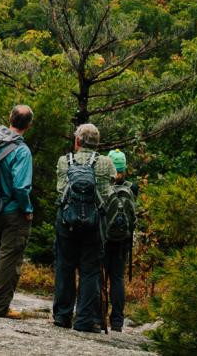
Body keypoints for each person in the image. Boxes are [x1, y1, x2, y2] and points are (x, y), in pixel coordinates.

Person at [53, 123, 116, 332]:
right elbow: (108, 195)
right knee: (90, 271)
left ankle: (62, 316)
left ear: (77, 140)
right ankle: (84, 320)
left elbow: (60, 189)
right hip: (94, 224)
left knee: (65, 266)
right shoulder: (105, 162)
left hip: (66, 222)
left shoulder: (65, 161)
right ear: (97, 143)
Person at [0, 104, 34, 319]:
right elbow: (21, 186)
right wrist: (28, 209)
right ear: (29, 125)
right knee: (9, 261)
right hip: (14, 211)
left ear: (9, 118)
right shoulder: (22, 151)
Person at [104, 148, 138, 332]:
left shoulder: (104, 186)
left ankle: (98, 315)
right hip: (122, 241)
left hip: (104, 238)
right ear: (124, 168)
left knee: (100, 275)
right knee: (117, 278)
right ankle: (117, 321)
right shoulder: (132, 188)